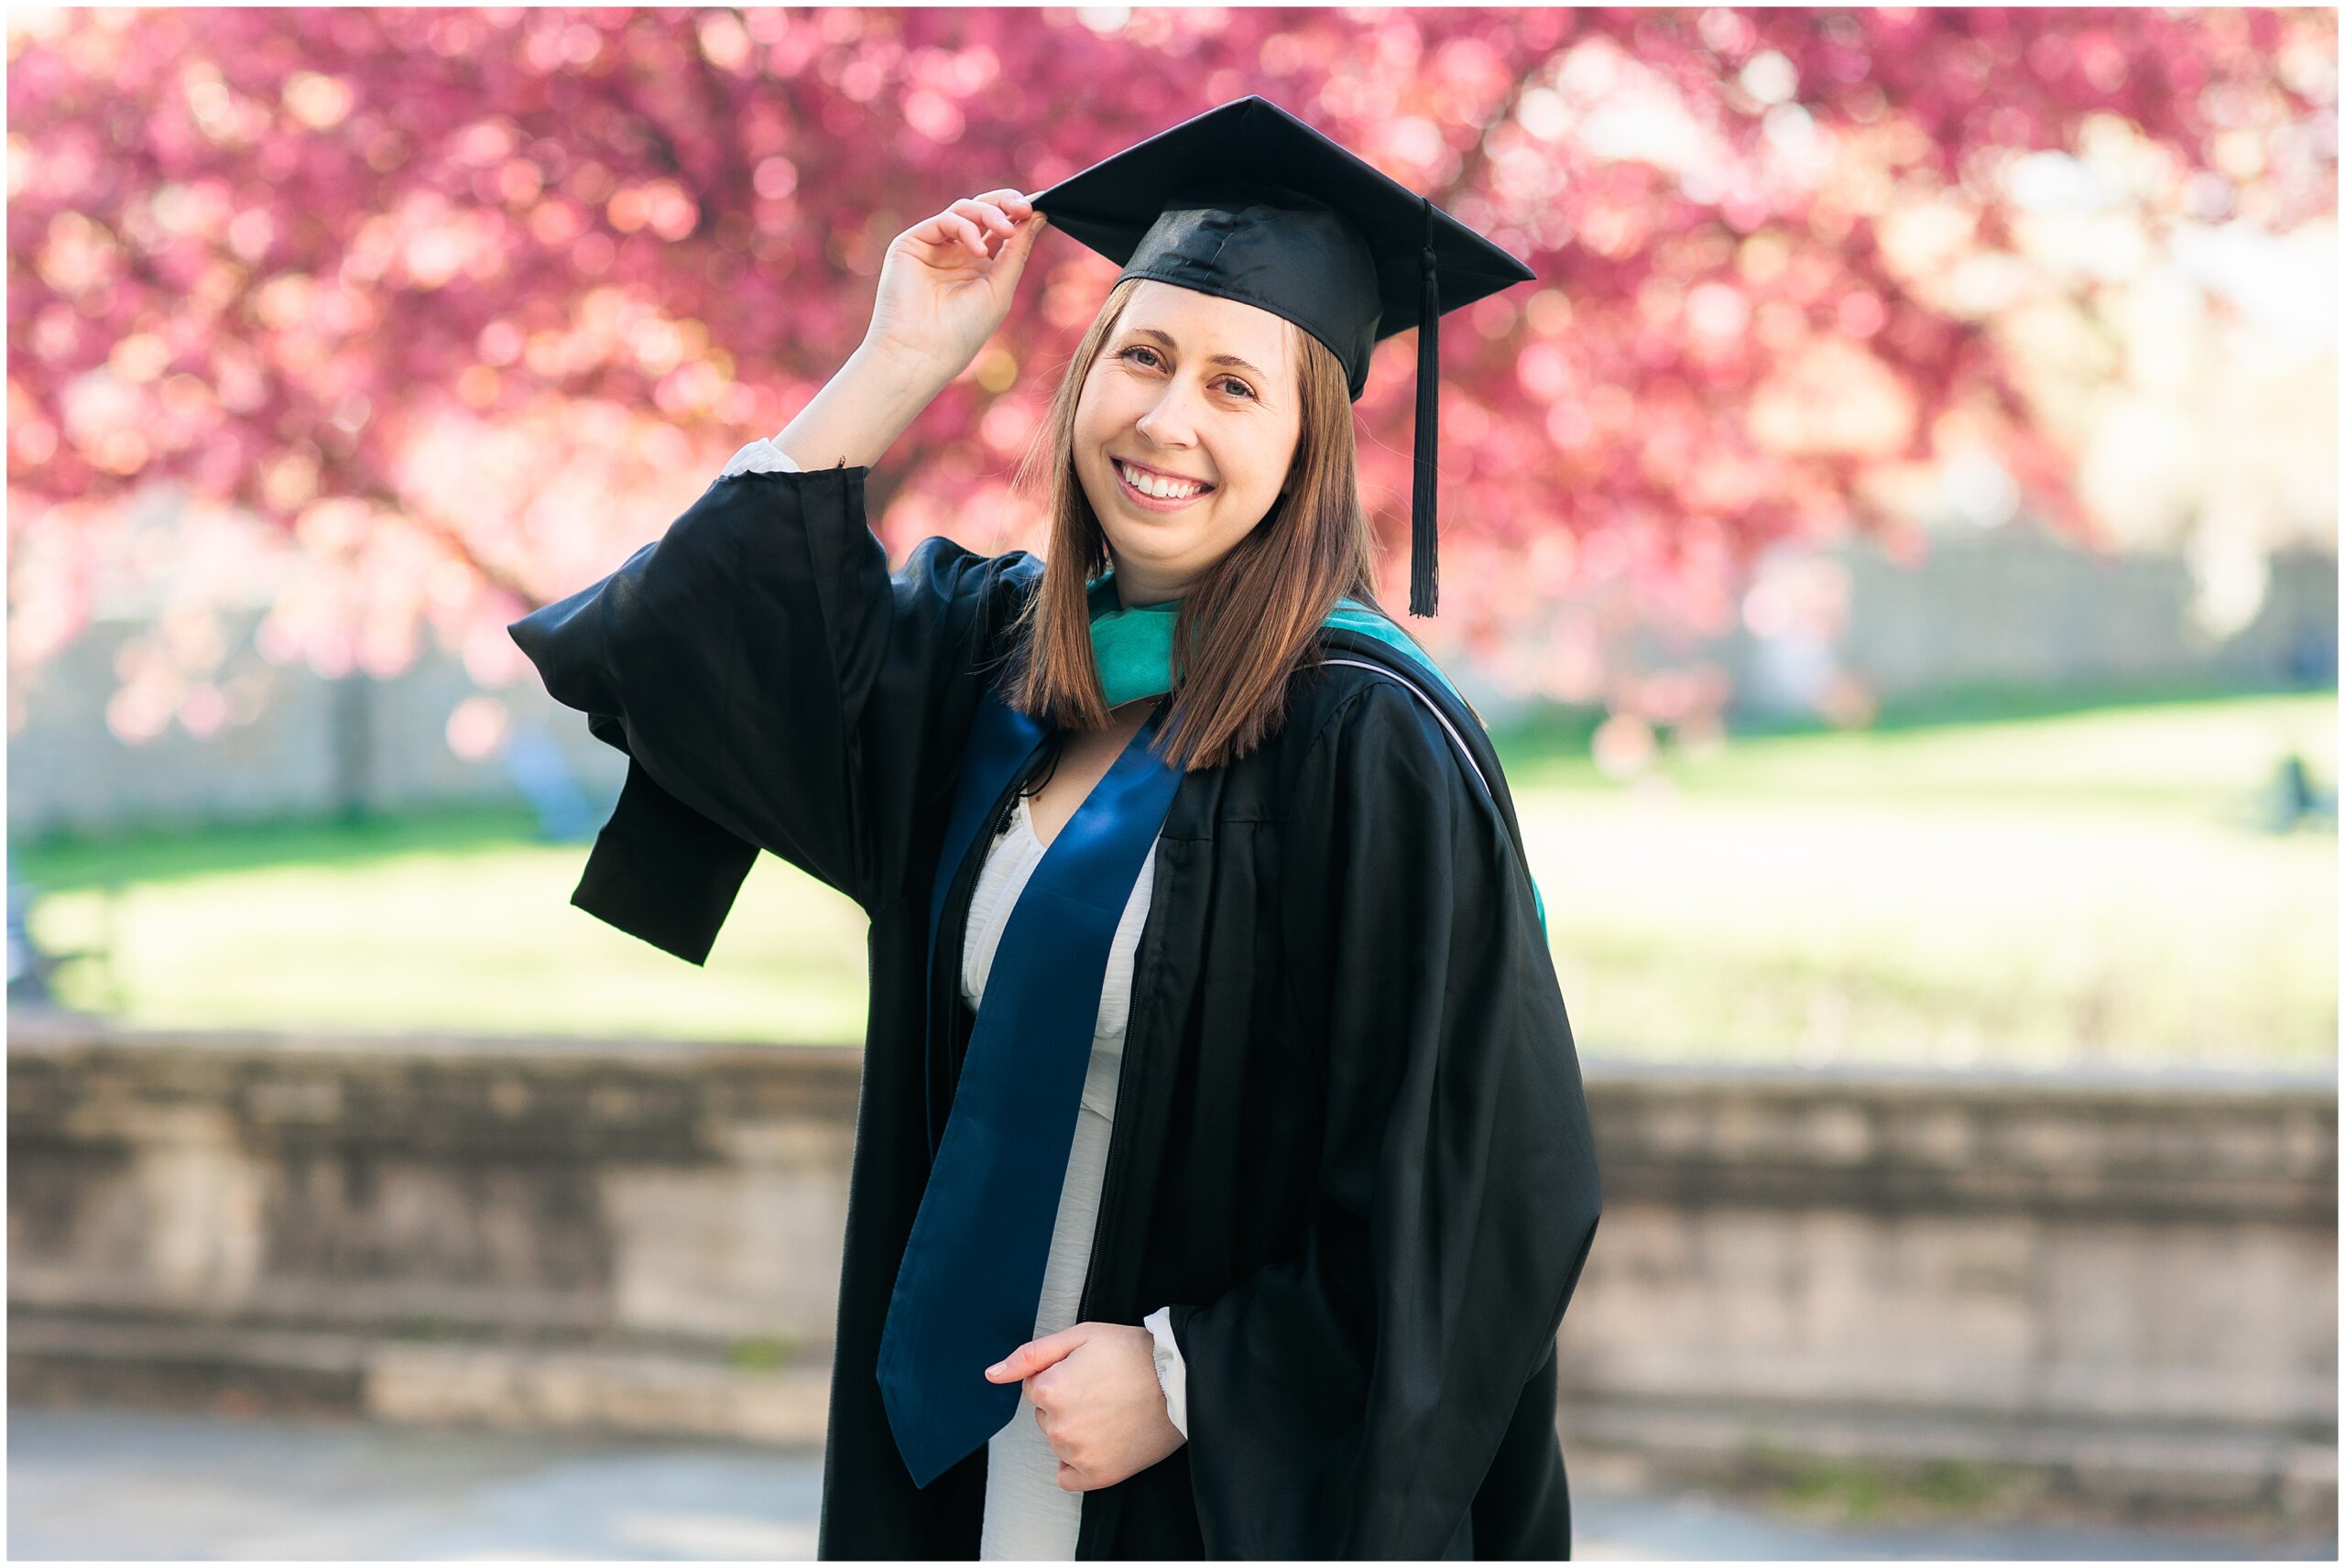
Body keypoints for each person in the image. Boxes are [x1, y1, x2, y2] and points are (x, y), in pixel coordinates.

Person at [509, 95, 1602, 1560]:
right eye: (1141, 357)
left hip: (1211, 1478)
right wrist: (899, 360)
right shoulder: (993, 662)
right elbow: (688, 646)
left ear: (1310, 444)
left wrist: (1186, 1377)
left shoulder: (1368, 743)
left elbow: (1490, 1182)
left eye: (1236, 386)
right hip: (964, 1436)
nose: (1167, 420)